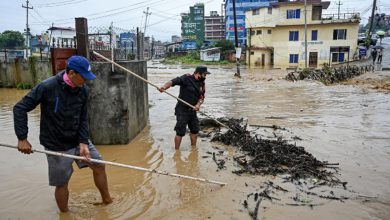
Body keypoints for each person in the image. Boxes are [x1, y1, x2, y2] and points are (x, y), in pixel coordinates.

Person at [13, 55, 112, 212]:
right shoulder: (47, 87)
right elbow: (20, 108)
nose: (86, 81)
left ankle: (107, 201)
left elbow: (82, 118)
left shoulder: (83, 90)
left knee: (99, 165)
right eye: (83, 77)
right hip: (55, 144)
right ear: (72, 73)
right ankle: (65, 214)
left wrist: (84, 142)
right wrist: (22, 138)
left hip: (77, 139)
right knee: (62, 182)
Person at [158, 66, 211, 150]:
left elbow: (201, 97)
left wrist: (198, 105)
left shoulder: (202, 83)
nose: (205, 76)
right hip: (182, 110)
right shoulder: (186, 78)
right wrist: (164, 87)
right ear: (198, 73)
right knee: (180, 132)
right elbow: (172, 82)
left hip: (193, 111)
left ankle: (193, 149)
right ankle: (176, 152)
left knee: (195, 130)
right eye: (204, 74)